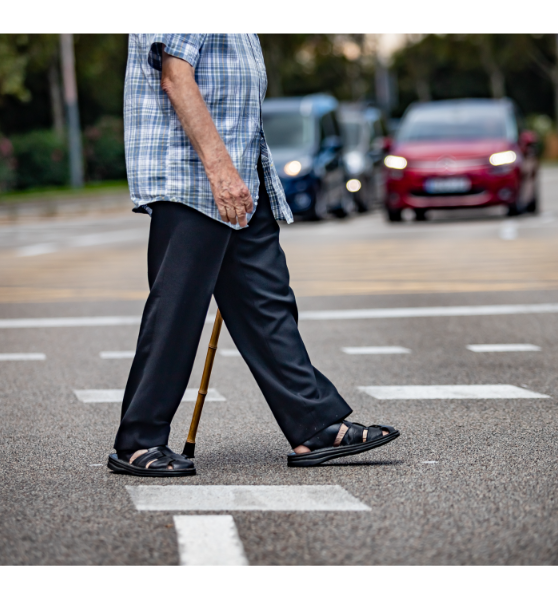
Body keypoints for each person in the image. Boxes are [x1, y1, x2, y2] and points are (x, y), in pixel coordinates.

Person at [108, 33, 400, 477]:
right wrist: (220, 169)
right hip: (197, 178)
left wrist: (238, 171)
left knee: (267, 304)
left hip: (241, 175)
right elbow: (175, 75)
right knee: (178, 311)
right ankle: (138, 441)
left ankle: (314, 424)